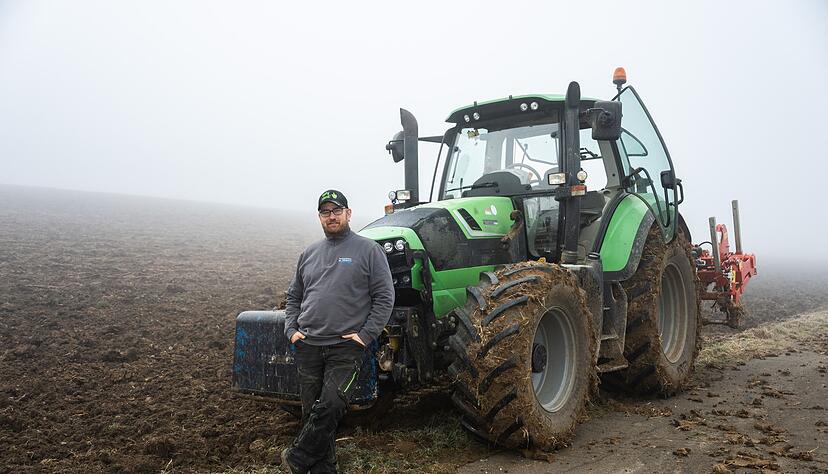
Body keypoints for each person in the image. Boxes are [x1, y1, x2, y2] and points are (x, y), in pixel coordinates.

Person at [281, 189, 394, 474]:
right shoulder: (309, 253)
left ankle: (297, 456)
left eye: (336, 211)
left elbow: (385, 297)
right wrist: (291, 329)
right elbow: (294, 296)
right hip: (308, 344)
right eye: (325, 212)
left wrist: (365, 335)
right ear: (319, 217)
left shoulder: (369, 250)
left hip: (346, 346)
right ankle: (324, 469)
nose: (331, 216)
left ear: (348, 213)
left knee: (331, 405)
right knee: (313, 413)